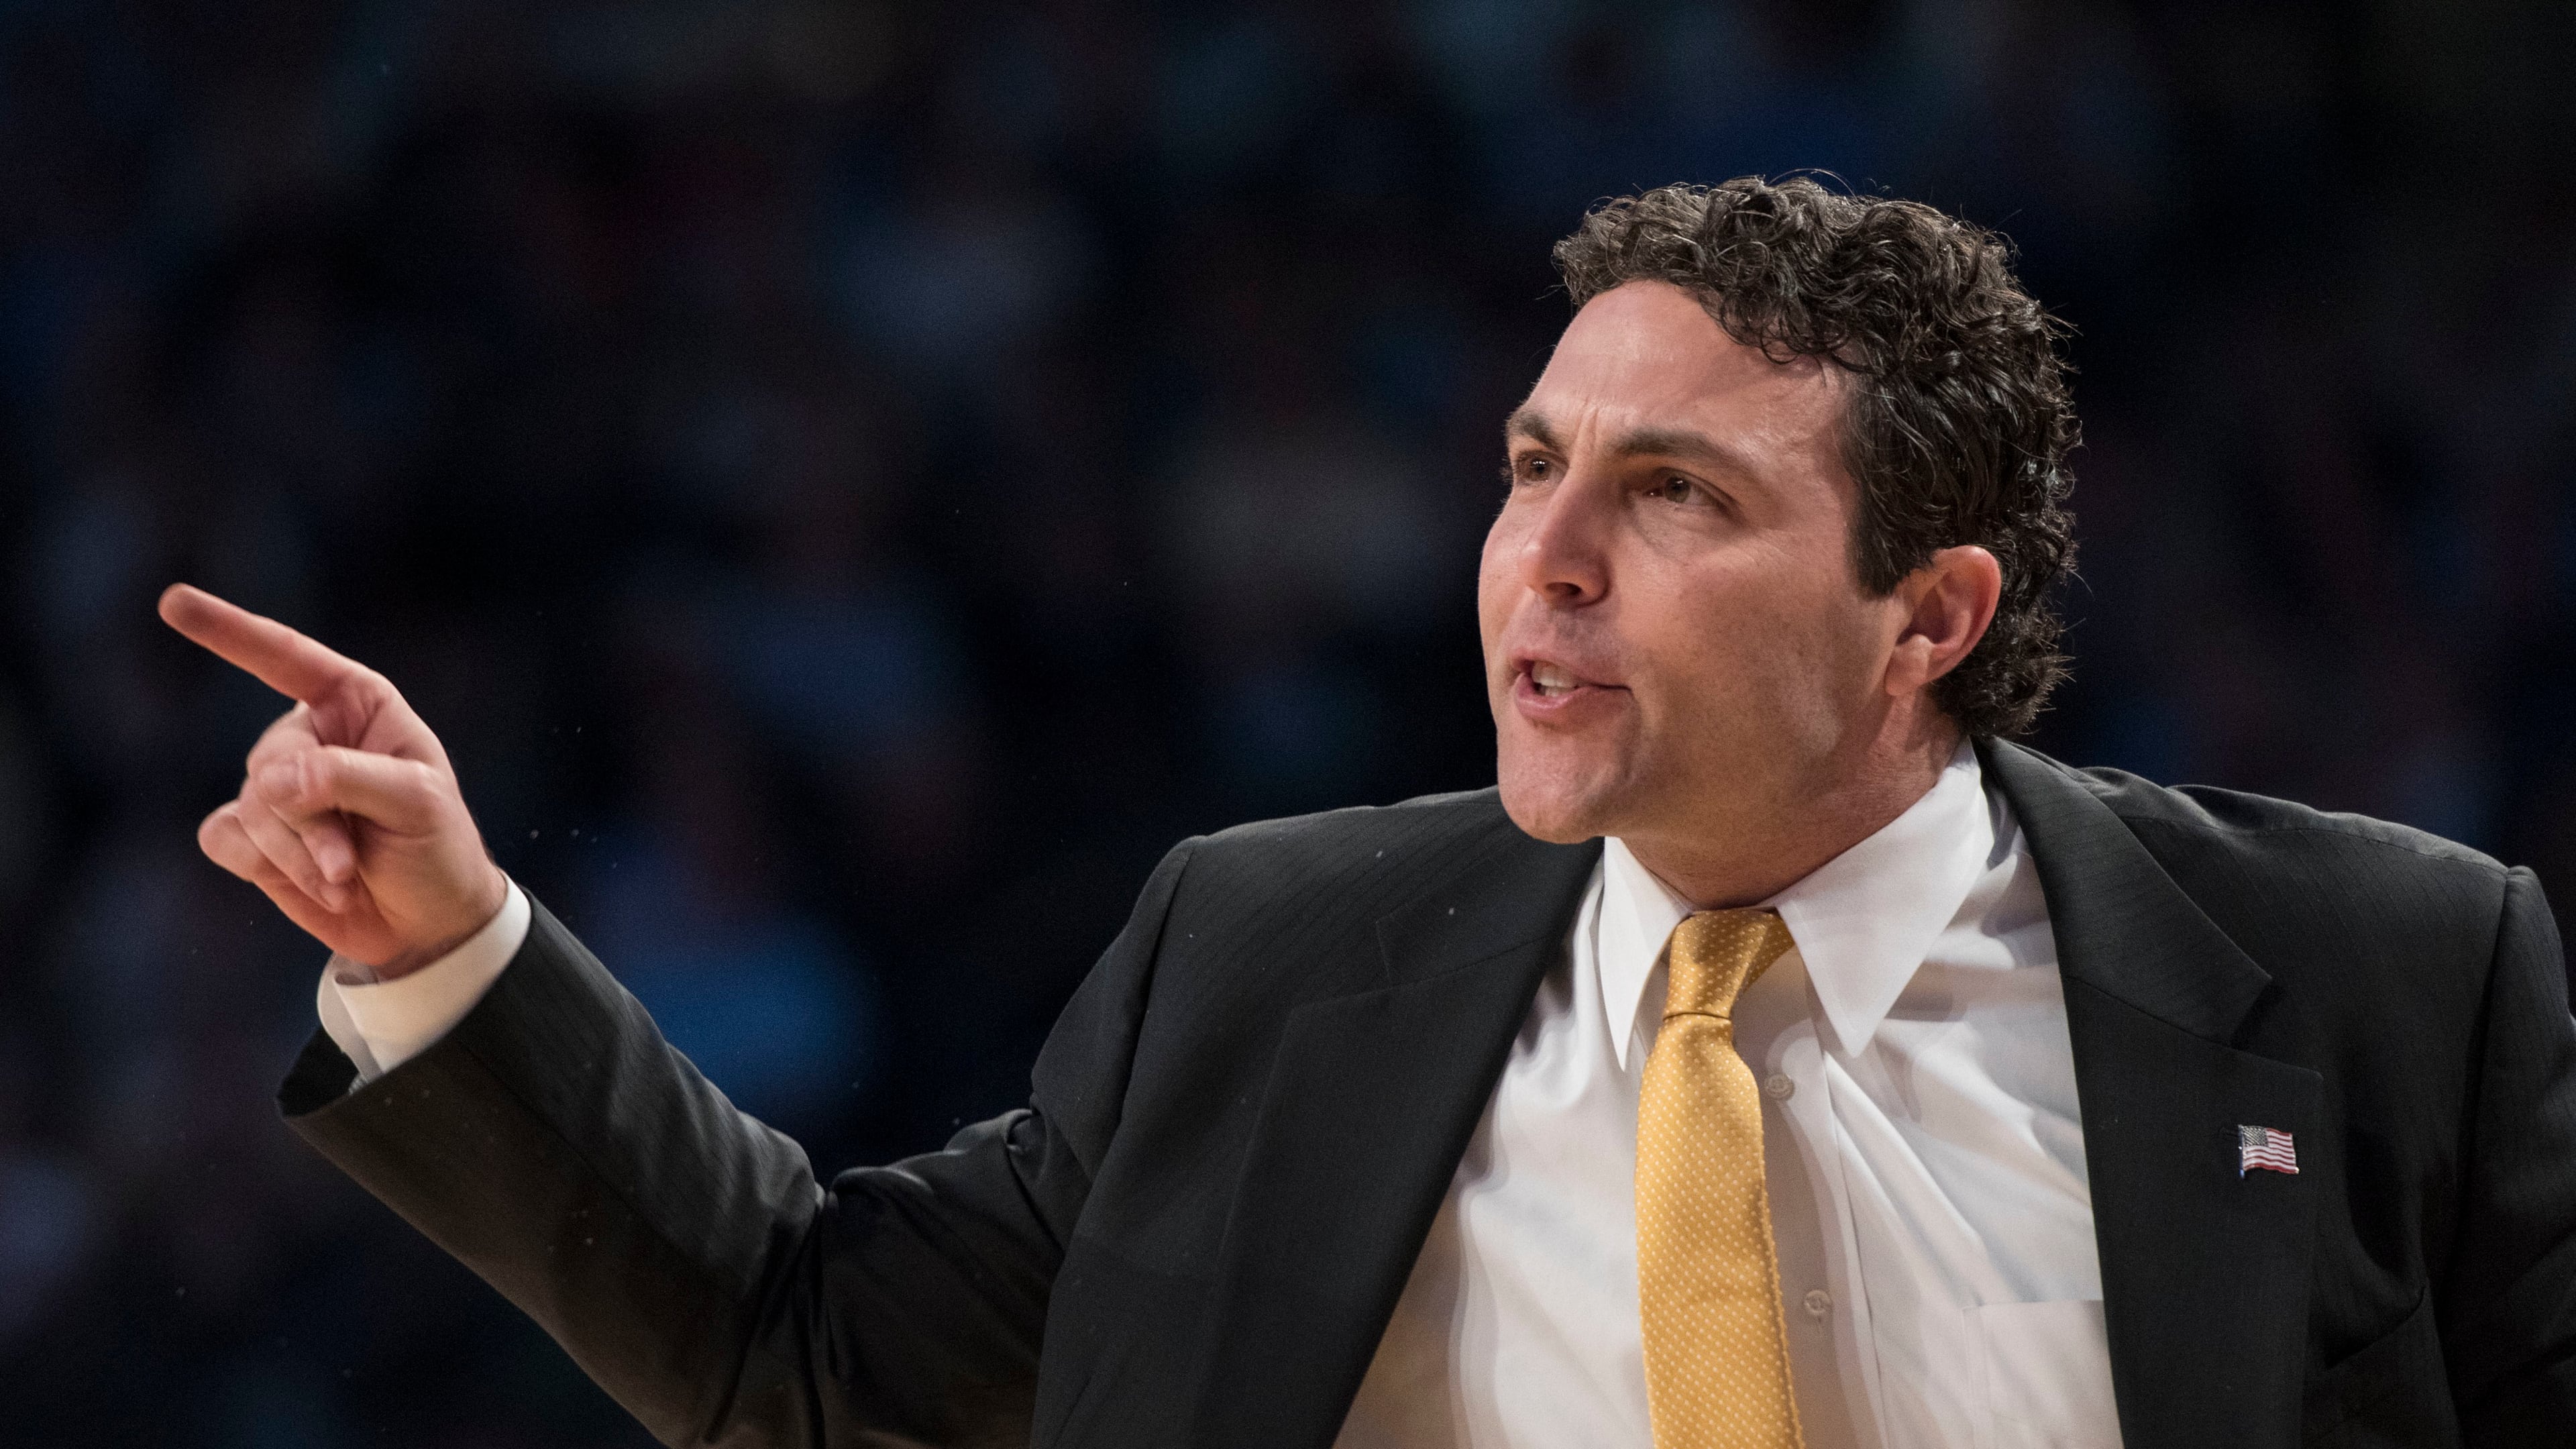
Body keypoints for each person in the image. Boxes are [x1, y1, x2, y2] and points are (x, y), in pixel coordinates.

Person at [162, 178, 2575, 1449]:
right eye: (1533, 465)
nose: (1544, 551)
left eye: (1674, 494)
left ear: (1926, 614)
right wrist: (445, 949)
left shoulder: (2388, 979)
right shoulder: (1273, 952)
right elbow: (802, 1348)